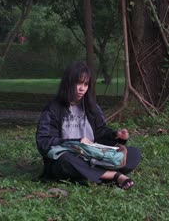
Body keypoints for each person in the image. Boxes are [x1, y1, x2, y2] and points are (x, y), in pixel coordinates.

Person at [36, 61, 141, 189]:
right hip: (69, 158)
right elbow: (43, 141)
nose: (82, 89)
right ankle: (114, 175)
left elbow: (101, 132)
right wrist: (76, 142)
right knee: (65, 161)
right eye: (78, 83)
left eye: (86, 84)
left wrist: (117, 136)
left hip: (94, 157)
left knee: (133, 153)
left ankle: (93, 175)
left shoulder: (91, 106)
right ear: (68, 83)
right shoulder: (53, 109)